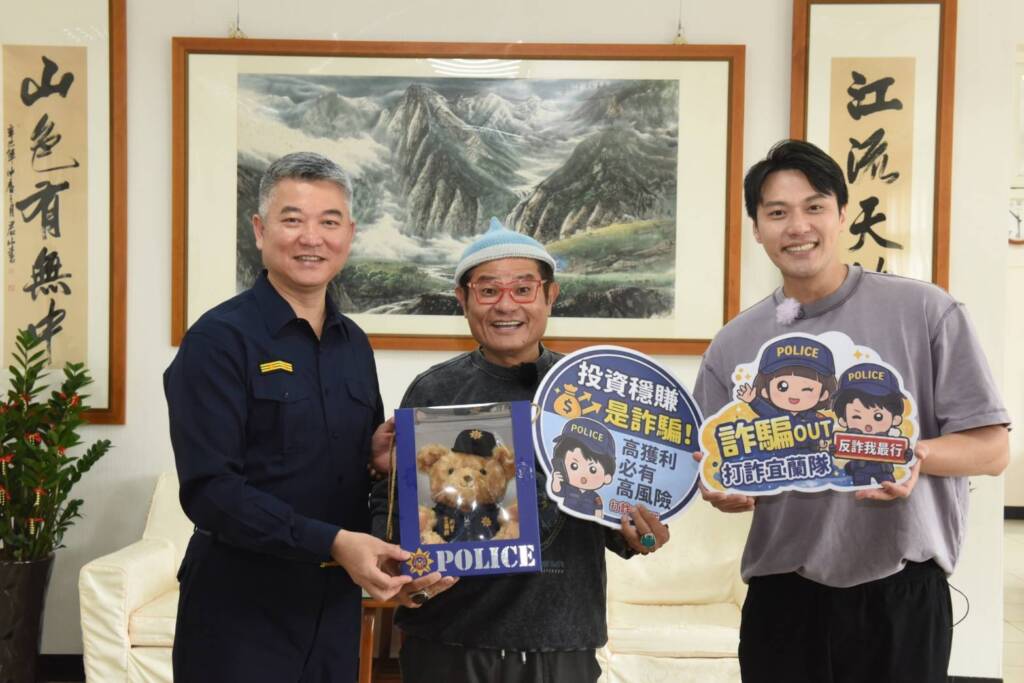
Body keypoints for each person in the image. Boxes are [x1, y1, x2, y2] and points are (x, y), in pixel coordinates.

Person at [693, 139, 1010, 683]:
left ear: (842, 214)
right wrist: (721, 492)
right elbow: (712, 467)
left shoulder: (926, 311)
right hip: (782, 595)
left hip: (902, 592)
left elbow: (993, 449)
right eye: (777, 213)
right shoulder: (733, 343)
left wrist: (914, 456)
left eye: (814, 206)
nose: (798, 226)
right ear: (757, 229)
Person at [370, 217, 670, 683]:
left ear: (550, 296)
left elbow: (620, 521)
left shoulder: (588, 392)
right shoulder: (433, 390)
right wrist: (397, 569)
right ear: (463, 299)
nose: (506, 304)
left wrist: (644, 535)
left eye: (523, 289)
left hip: (561, 640)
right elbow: (393, 508)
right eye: (488, 290)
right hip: (448, 640)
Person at [164, 152, 411, 682]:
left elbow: (339, 472)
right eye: (293, 219)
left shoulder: (354, 344)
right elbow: (210, 491)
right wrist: (333, 542)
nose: (311, 238)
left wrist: (372, 461)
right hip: (240, 610)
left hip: (335, 607)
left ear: (350, 234)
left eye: (329, 222)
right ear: (260, 230)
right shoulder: (218, 341)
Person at [834, 362, 910, 485]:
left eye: (878, 416)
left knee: (888, 483)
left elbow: (904, 453)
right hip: (860, 469)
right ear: (843, 420)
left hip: (883, 469)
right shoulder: (848, 438)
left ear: (895, 419)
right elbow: (837, 449)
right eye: (857, 416)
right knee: (860, 483)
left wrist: (908, 454)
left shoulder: (894, 438)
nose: (867, 425)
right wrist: (834, 448)